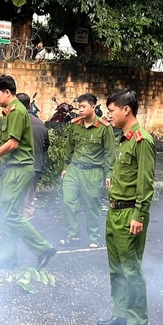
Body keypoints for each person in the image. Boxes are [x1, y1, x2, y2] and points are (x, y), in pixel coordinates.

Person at [0, 75, 56, 270]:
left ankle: (43, 249)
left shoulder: (17, 111)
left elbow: (13, 143)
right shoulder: (12, 111)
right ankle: (8, 258)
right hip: (13, 168)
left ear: (7, 92)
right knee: (8, 213)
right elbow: (16, 145)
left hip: (19, 170)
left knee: (11, 215)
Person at [97, 89, 156, 325]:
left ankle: (138, 323)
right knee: (116, 268)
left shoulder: (142, 140)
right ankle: (120, 314)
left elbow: (146, 183)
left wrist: (139, 216)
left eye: (111, 110)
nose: (108, 115)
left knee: (131, 269)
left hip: (131, 212)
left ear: (126, 110)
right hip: (114, 211)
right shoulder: (124, 139)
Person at [60, 93, 115, 248]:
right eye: (79, 107)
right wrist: (66, 167)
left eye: (83, 107)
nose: (80, 110)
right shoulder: (75, 125)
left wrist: (109, 174)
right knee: (68, 203)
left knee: (92, 206)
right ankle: (73, 236)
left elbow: (110, 153)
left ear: (93, 107)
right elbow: (70, 148)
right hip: (74, 170)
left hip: (93, 172)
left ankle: (93, 237)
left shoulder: (104, 128)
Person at [16, 93, 50, 219]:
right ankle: (26, 228)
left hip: (18, 167)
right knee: (27, 202)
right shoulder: (40, 123)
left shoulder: (16, 122)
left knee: (15, 201)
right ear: (29, 106)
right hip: (35, 167)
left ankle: (15, 231)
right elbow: (46, 145)